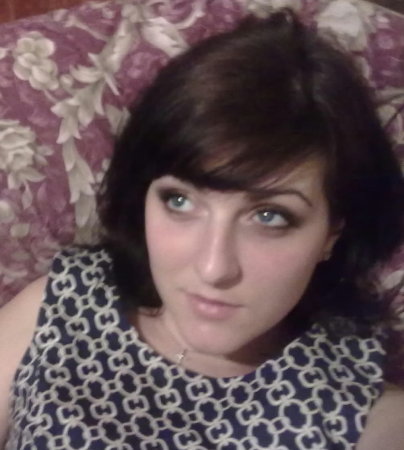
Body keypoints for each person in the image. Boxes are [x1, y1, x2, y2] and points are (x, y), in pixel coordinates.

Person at [1, 8, 403, 450]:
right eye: (180, 201)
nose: (214, 268)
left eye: (270, 217)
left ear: (331, 232)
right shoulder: (61, 306)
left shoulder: (365, 416)